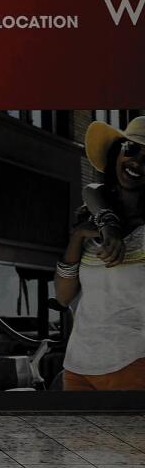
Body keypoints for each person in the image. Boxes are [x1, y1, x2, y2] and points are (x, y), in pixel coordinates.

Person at [55, 116, 145, 390]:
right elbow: (63, 297)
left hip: (134, 363)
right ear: (117, 152)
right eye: (131, 150)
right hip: (78, 368)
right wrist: (79, 236)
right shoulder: (92, 219)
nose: (137, 163)